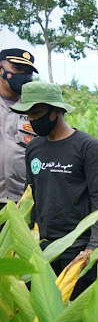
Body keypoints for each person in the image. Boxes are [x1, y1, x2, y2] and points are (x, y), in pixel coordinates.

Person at [13, 82, 98, 299]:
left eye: (37, 113)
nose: (32, 120)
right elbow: (31, 197)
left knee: (74, 316)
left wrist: (93, 247)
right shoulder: (33, 148)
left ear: (56, 110)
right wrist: (28, 239)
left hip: (78, 246)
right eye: (29, 114)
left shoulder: (88, 147)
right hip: (42, 246)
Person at [0, 48, 38, 211]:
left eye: (28, 72)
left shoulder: (36, 111)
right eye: (17, 69)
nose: (24, 76)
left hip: (22, 202)